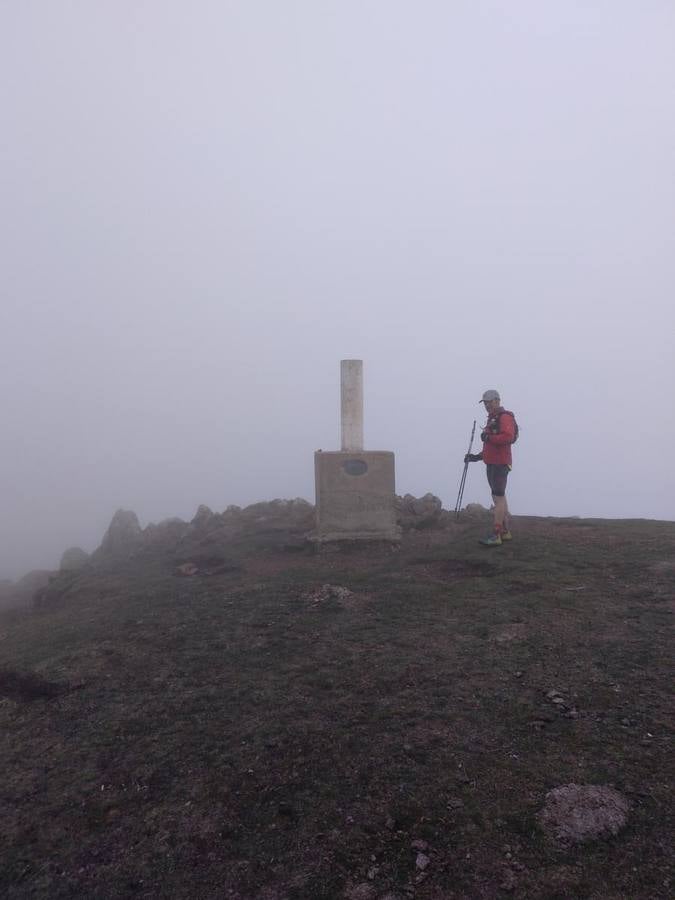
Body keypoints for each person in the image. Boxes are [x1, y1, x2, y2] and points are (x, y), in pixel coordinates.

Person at [464, 389, 516, 546]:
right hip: (493, 462)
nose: (486, 405)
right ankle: (505, 532)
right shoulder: (493, 418)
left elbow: (508, 437)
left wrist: (489, 437)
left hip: (500, 464)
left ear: (497, 401)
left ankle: (496, 534)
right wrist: (477, 457)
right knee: (499, 497)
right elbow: (490, 447)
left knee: (498, 498)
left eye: (488, 402)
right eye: (485, 403)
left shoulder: (504, 417)